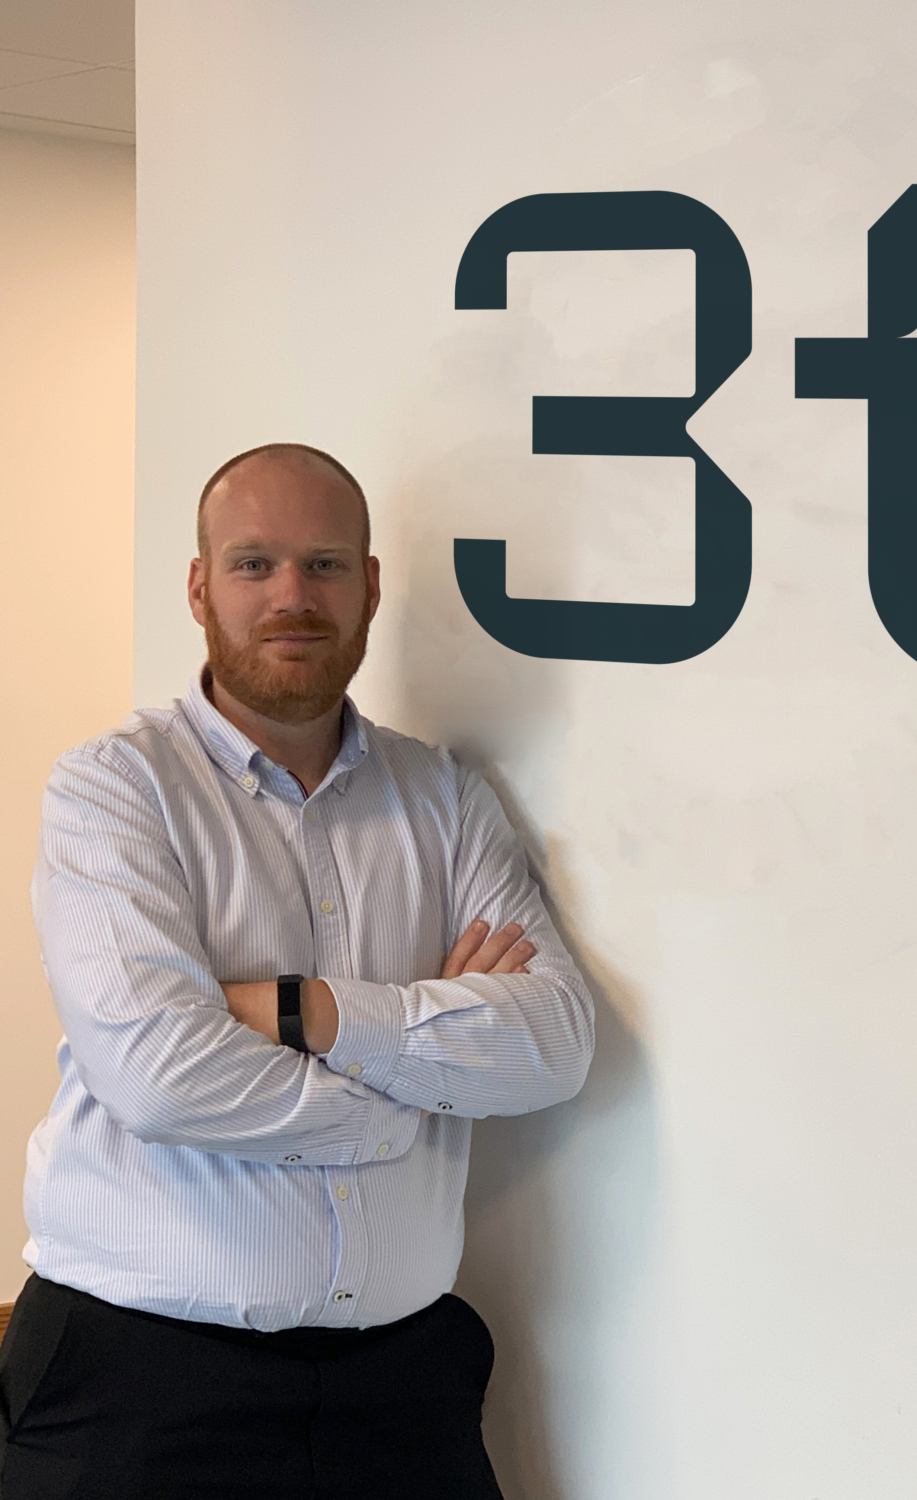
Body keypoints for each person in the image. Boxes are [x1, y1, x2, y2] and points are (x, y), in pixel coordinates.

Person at [0, 443, 594, 1500]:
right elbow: (157, 1072)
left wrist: (304, 1012)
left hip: (400, 1394)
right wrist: (408, 1097)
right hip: (141, 1390)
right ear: (197, 587)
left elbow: (553, 1044)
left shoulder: (446, 801)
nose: (292, 596)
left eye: (325, 565)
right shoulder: (116, 791)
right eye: (254, 564)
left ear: (370, 586)